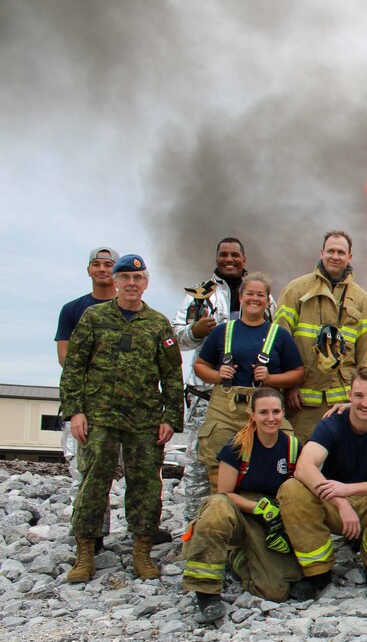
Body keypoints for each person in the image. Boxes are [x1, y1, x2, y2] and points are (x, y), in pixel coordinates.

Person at [60, 254, 184, 583]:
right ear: (115, 281)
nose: (132, 283)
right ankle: (85, 552)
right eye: (125, 277)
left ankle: (141, 550)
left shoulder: (158, 324)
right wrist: (75, 411)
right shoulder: (93, 318)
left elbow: (172, 373)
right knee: (92, 483)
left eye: (138, 278)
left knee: (145, 485)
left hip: (144, 420)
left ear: (146, 284)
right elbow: (74, 367)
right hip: (99, 417)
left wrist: (170, 417)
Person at [278, 367, 367, 599]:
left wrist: (350, 489)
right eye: (359, 396)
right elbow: (304, 467)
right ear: (349, 396)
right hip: (334, 503)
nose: (365, 403)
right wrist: (341, 501)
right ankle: (317, 571)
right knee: (291, 489)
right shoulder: (332, 424)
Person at [181, 388, 303, 621]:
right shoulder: (237, 446)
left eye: (276, 411)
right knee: (215, 508)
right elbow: (225, 493)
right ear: (252, 415)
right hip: (238, 512)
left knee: (274, 592)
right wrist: (256, 507)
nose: (270, 418)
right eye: (263, 412)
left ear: (283, 413)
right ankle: (205, 591)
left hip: (269, 522)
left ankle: (235, 557)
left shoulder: (292, 448)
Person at [172, 238, 265, 521]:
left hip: (251, 395)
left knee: (252, 462)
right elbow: (177, 338)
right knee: (200, 466)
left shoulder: (261, 294)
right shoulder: (199, 296)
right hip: (206, 394)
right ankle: (195, 532)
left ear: (244, 260)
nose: (229, 259)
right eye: (223, 254)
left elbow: (275, 335)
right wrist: (195, 331)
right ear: (216, 258)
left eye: (235, 255)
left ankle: (241, 529)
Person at [192, 272, 305, 492]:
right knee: (218, 460)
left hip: (266, 407)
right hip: (225, 409)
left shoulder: (279, 335)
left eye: (260, 295)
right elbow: (200, 365)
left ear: (267, 300)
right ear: (240, 297)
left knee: (283, 452)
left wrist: (271, 379)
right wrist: (216, 376)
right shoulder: (222, 331)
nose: (255, 299)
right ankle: (223, 511)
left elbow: (298, 373)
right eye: (250, 294)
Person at [275, 231, 367, 445]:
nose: (335, 256)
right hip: (301, 401)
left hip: (342, 401)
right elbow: (279, 342)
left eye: (341, 252)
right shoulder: (296, 290)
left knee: (340, 459)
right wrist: (288, 386)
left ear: (349, 257)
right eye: (330, 251)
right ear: (322, 253)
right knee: (300, 455)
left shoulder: (361, 299)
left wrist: (364, 396)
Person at [56, 246, 119, 543]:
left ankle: (138, 533)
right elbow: (65, 358)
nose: (103, 269)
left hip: (124, 406)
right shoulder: (73, 310)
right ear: (89, 270)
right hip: (86, 403)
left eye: (109, 264)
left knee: (134, 472)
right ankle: (88, 535)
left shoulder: (132, 309)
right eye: (97, 264)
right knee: (85, 473)